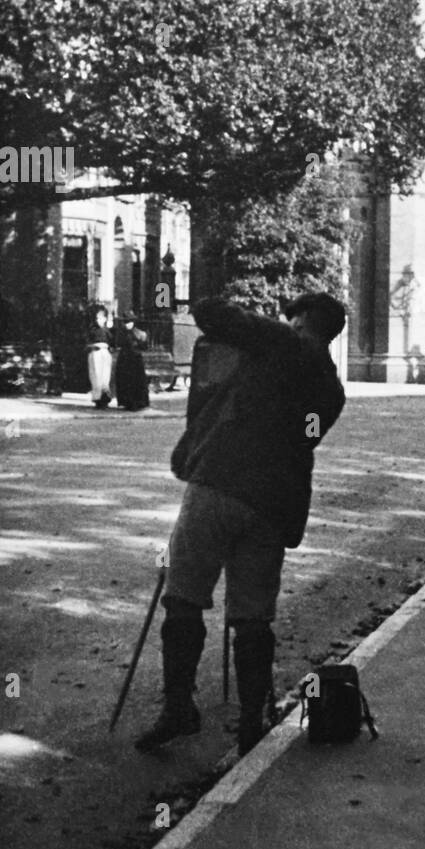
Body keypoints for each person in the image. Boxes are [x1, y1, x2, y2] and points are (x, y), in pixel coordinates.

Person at [134, 291, 347, 756]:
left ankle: (178, 708)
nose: (286, 320)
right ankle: (253, 718)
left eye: (291, 315)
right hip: (273, 503)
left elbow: (211, 314)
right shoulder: (331, 390)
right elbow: (308, 436)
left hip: (219, 483)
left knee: (184, 598)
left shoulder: (276, 341)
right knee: (252, 614)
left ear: (303, 319)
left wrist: (221, 300)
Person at [114, 314, 150, 411]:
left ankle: (138, 402)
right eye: (126, 322)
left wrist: (140, 342)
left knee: (136, 381)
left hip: (135, 359)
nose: (128, 324)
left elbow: (144, 346)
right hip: (125, 359)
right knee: (126, 381)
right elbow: (118, 343)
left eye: (130, 322)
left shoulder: (138, 333)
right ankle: (127, 402)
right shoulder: (122, 333)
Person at [86, 306, 113, 408]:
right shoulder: (92, 330)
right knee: (96, 376)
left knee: (105, 377)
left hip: (105, 353)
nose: (99, 320)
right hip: (95, 353)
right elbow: (87, 343)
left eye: (101, 318)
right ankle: (98, 399)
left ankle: (105, 398)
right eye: (97, 318)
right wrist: (94, 346)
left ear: (105, 319)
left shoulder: (107, 331)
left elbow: (112, 342)